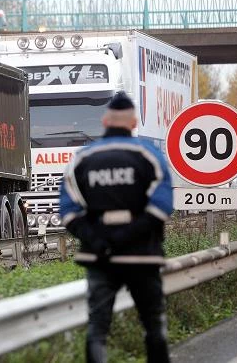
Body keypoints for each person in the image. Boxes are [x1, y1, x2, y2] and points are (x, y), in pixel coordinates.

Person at [60, 91, 173, 363]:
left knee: (97, 329)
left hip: (100, 258)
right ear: (134, 123)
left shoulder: (81, 160)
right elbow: (162, 207)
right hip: (142, 255)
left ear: (105, 121)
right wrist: (127, 236)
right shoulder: (150, 156)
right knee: (154, 324)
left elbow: (68, 211)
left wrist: (100, 241)